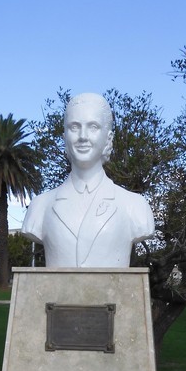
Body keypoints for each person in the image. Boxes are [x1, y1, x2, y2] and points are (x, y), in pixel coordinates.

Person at [22, 92, 154, 267]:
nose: (83, 136)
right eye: (74, 127)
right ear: (65, 138)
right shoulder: (40, 206)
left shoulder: (135, 206)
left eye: (93, 127)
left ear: (108, 138)